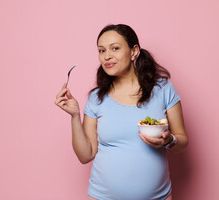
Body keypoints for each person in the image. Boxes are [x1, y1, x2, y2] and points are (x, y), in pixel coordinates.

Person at [54, 24, 188, 200]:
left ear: (134, 51)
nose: (107, 56)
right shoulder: (96, 98)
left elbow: (182, 142)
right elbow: (85, 155)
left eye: (115, 48)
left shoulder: (163, 89)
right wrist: (75, 116)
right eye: (101, 51)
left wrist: (169, 140)